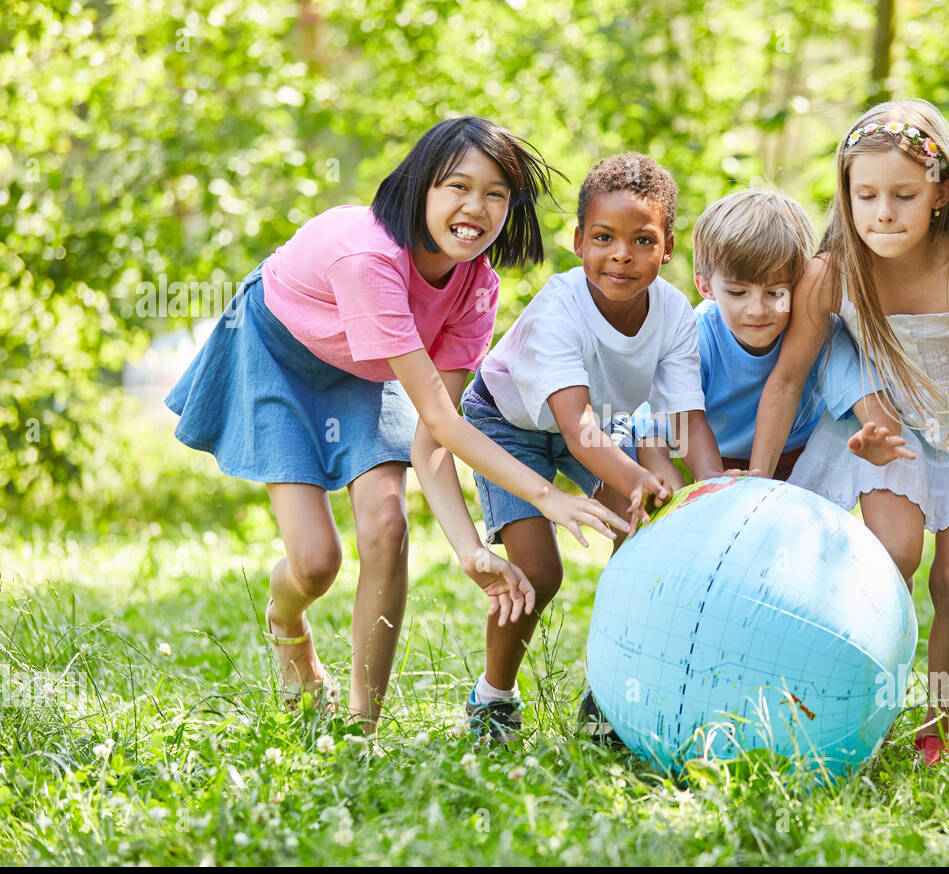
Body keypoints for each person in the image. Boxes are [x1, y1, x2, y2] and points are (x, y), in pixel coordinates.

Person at [165, 117, 626, 734]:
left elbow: (436, 435)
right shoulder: (371, 259)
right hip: (280, 353)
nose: (475, 208)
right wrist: (546, 496)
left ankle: (361, 729)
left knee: (386, 525)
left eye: (496, 194)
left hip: (370, 367)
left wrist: (469, 551)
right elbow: (438, 415)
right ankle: (287, 625)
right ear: (420, 187)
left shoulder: (476, 287)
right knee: (315, 565)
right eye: (456, 186)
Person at [751, 100, 949, 765]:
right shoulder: (833, 270)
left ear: (942, 191)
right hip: (887, 427)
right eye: (864, 194)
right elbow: (788, 379)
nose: (882, 212)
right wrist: (758, 487)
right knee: (889, 557)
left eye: (903, 195)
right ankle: (867, 704)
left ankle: (938, 724)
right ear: (845, 194)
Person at [461, 152, 733, 743]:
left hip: (597, 423)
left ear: (666, 250)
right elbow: (574, 423)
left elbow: (685, 416)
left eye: (642, 241)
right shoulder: (562, 307)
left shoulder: (675, 314)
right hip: (510, 421)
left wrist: (715, 489)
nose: (622, 255)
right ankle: (493, 696)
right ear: (580, 240)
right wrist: (637, 478)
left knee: (648, 537)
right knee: (538, 570)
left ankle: (610, 692)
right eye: (605, 238)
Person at [656, 189, 824, 484]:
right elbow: (672, 419)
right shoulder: (697, 337)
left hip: (803, 454)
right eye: (737, 293)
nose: (758, 310)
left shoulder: (813, 328)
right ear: (705, 286)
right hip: (717, 458)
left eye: (775, 293)